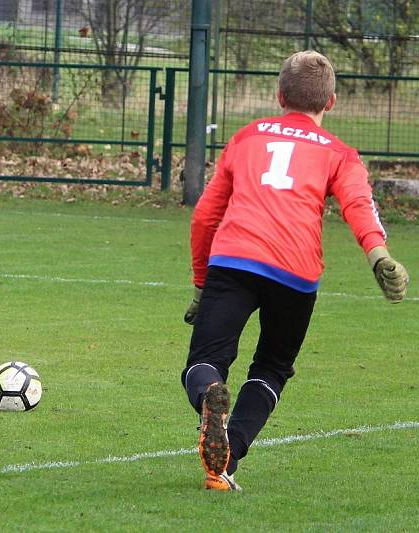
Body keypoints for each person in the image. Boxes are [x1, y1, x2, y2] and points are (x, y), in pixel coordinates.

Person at [181, 51, 409, 492]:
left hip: (234, 259)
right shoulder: (341, 153)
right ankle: (228, 457)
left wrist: (200, 283)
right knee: (271, 366)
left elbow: (205, 216)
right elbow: (359, 206)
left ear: (279, 95)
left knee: (205, 362)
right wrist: (378, 254)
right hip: (296, 271)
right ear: (332, 102)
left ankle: (211, 392)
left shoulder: (247, 137)